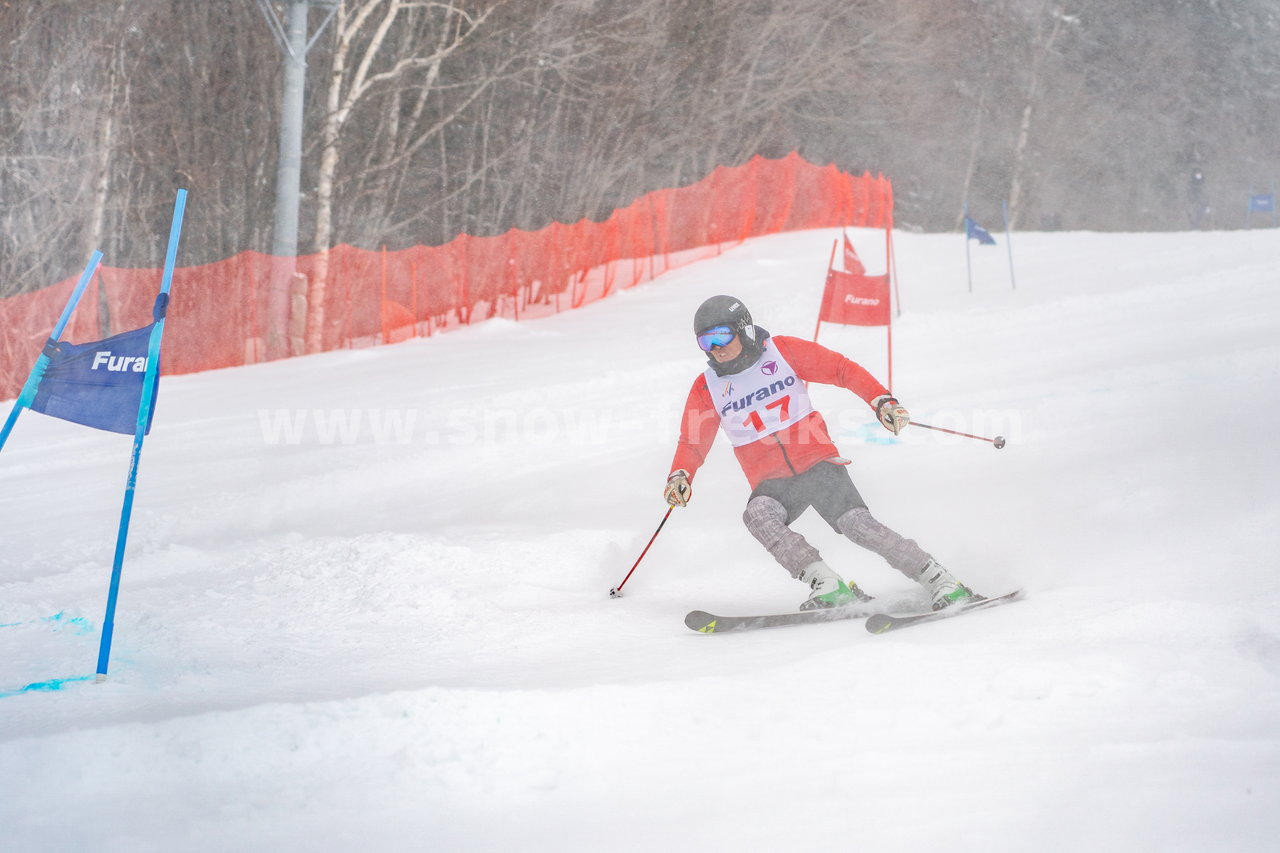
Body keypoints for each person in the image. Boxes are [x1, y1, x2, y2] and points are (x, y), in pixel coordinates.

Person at [664, 294, 979, 612]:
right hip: (771, 481)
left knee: (857, 526)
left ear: (743, 329)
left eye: (721, 336)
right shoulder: (707, 387)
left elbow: (842, 369)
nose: (715, 348)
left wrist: (881, 400)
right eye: (705, 342)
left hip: (816, 463)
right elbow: (692, 442)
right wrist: (681, 474)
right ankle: (828, 584)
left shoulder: (783, 352)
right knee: (758, 516)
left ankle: (942, 580)